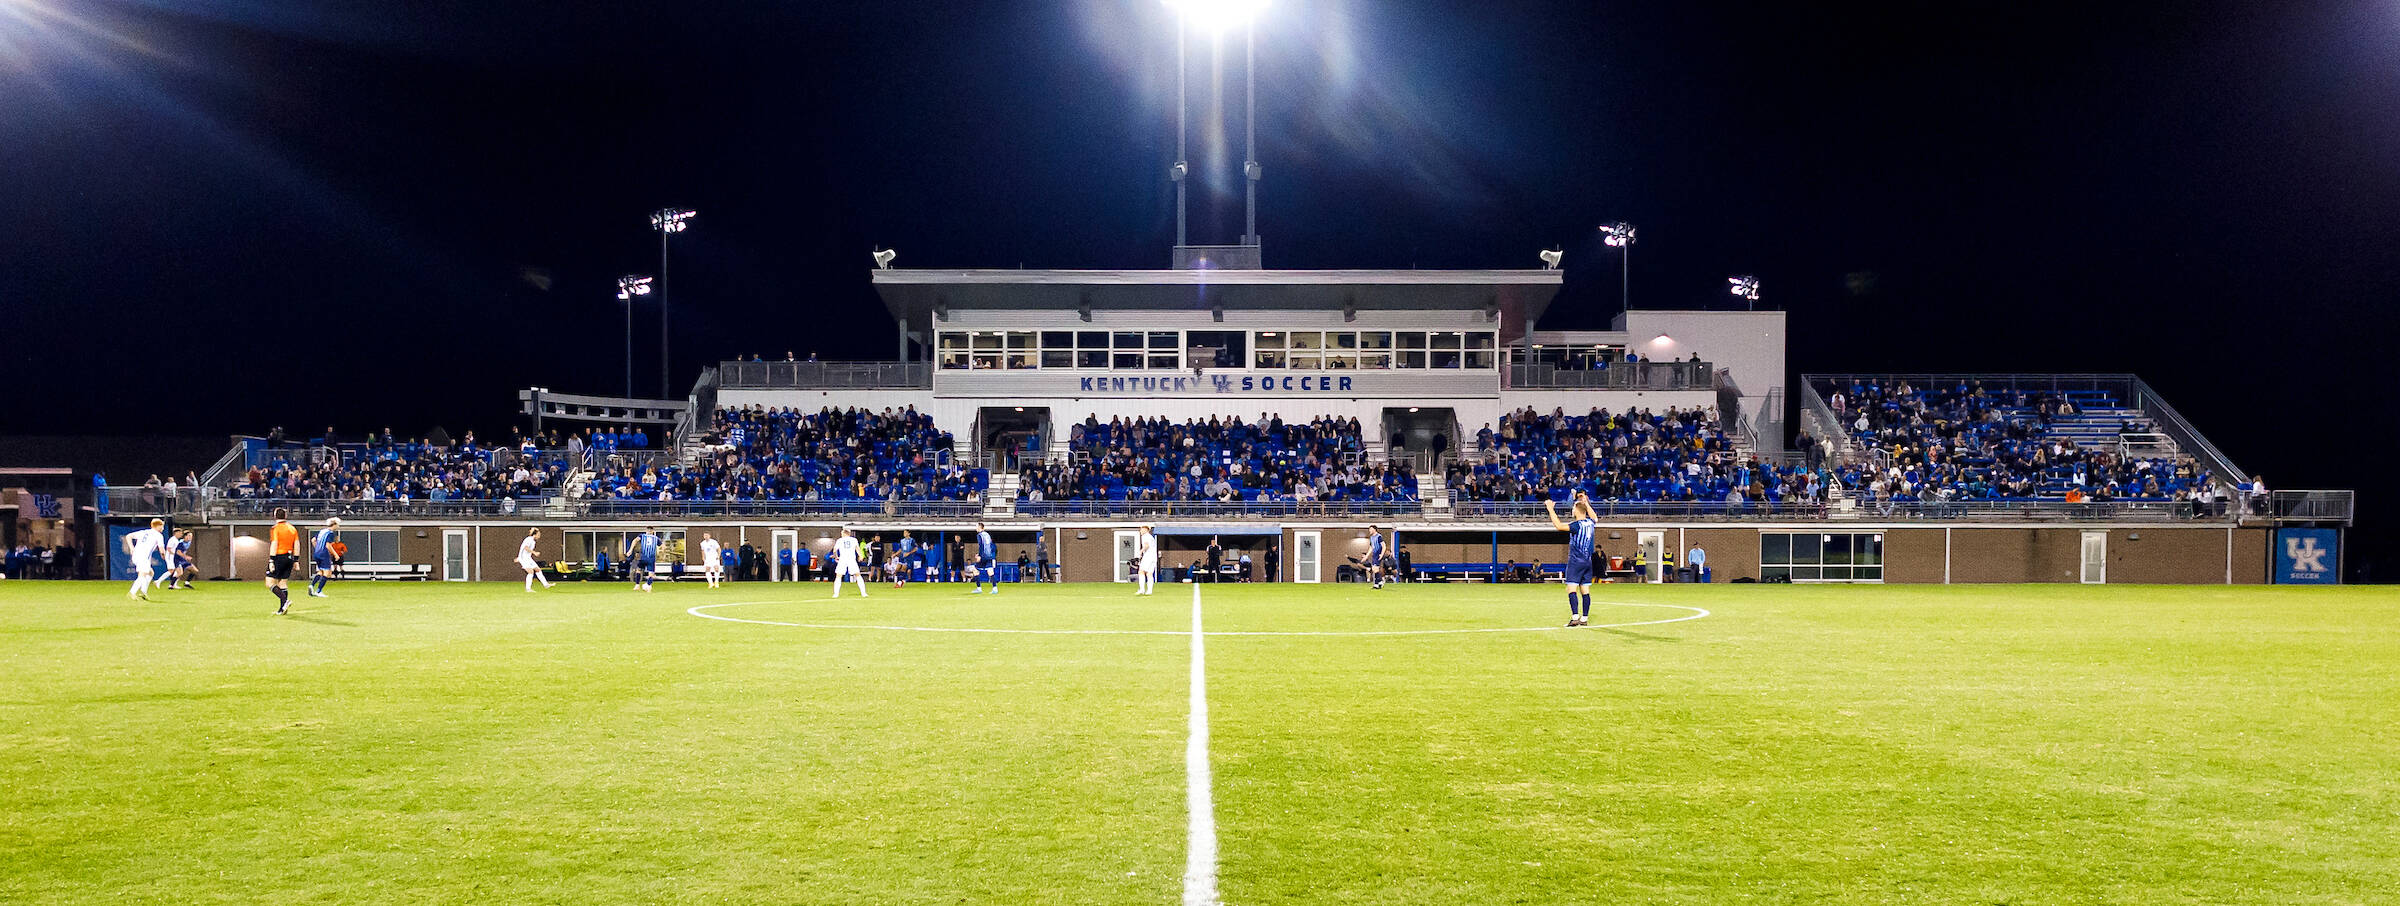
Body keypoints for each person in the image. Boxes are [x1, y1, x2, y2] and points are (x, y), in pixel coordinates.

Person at [1545, 491, 1600, 627]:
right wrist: (1586, 503)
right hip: (1587, 562)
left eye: (1573, 508)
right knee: (1585, 591)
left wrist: (1550, 509)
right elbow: (1595, 518)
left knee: (1571, 589)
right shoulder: (1590, 523)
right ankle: (1584, 618)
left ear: (1576, 510)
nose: (1572, 510)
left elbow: (1558, 526)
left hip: (1576, 561)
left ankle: (1575, 617)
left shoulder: (1576, 525)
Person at [123, 518, 168, 600]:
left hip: (136, 555)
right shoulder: (158, 535)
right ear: (158, 526)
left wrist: (131, 547)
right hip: (143, 556)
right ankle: (132, 592)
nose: (163, 528)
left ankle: (144, 592)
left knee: (150, 573)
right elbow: (161, 549)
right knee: (142, 574)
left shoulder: (144, 532)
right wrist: (164, 556)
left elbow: (128, 536)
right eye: (162, 526)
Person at [267, 509, 299, 613]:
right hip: (290, 557)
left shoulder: (275, 529)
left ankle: (285, 601)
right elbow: (297, 544)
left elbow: (274, 543)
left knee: (269, 582)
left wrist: (271, 560)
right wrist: (296, 560)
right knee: (283, 583)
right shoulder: (292, 528)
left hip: (279, 556)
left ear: (274, 516)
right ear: (286, 516)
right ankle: (282, 609)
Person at [306, 517, 341, 598]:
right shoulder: (330, 533)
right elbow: (328, 545)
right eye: (338, 524)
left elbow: (313, 540)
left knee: (321, 571)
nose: (338, 526)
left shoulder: (322, 531)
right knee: (327, 573)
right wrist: (335, 554)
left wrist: (317, 548)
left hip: (317, 553)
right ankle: (319, 591)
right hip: (324, 553)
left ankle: (311, 585)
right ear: (334, 524)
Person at [830, 527, 869, 598]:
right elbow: (857, 549)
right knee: (858, 575)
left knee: (838, 576)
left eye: (842, 533)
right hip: (851, 559)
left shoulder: (840, 540)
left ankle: (836, 594)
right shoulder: (854, 540)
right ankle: (864, 593)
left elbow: (835, 550)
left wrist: (836, 557)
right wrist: (860, 556)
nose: (841, 534)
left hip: (843, 559)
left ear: (844, 533)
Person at [626, 528, 660, 592]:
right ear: (653, 531)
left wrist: (630, 550)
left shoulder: (642, 536)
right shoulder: (656, 538)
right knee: (651, 573)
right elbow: (662, 546)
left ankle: (637, 585)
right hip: (651, 558)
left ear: (646, 530)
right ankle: (648, 585)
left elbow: (635, 540)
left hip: (644, 557)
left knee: (638, 570)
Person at [970, 523, 999, 595]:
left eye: (976, 527)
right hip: (989, 556)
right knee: (990, 572)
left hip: (984, 556)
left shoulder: (979, 535)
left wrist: (980, 555)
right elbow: (989, 546)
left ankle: (979, 588)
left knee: (975, 570)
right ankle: (995, 588)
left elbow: (981, 546)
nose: (975, 528)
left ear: (980, 527)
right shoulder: (987, 535)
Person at [1134, 524, 1159, 596]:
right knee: (1149, 573)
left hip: (1148, 556)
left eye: (1141, 529)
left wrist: (1140, 552)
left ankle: (1142, 590)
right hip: (1154, 556)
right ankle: (1149, 591)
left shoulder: (1145, 536)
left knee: (1141, 571)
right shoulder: (1151, 537)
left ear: (1145, 529)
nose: (1140, 530)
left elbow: (1146, 545)